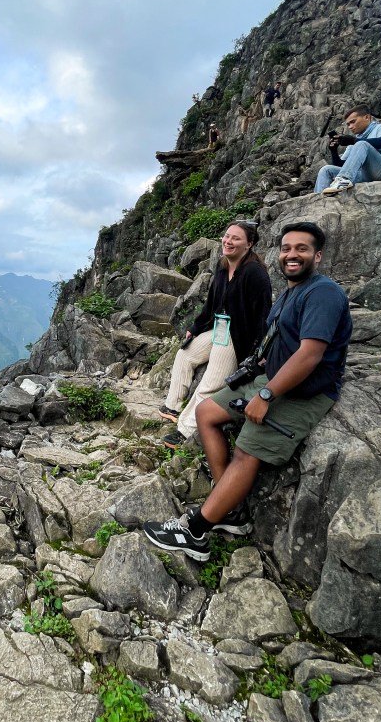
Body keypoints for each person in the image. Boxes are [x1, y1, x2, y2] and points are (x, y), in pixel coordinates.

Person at [145, 221, 352, 560]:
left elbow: (310, 353)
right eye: (286, 248)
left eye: (301, 249)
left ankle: (196, 532)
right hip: (269, 376)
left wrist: (266, 395)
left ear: (318, 255)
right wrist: (254, 371)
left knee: (246, 450)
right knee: (206, 412)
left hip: (303, 392)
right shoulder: (290, 293)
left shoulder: (323, 292)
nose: (291, 255)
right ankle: (228, 508)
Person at [159, 221, 272, 448]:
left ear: (249, 244)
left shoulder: (255, 273)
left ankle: (185, 430)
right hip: (219, 329)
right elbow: (210, 306)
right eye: (227, 236)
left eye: (236, 238)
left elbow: (263, 315)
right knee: (185, 354)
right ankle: (173, 406)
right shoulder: (222, 267)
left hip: (239, 337)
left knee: (211, 382)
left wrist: (259, 352)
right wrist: (195, 328)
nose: (228, 241)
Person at [315, 103, 381, 195]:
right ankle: (319, 198)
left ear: (367, 117)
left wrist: (354, 140)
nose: (350, 127)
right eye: (348, 124)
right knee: (326, 170)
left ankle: (344, 180)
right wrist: (334, 151)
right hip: (365, 174)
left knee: (362, 144)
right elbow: (343, 166)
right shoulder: (356, 141)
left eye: (353, 122)